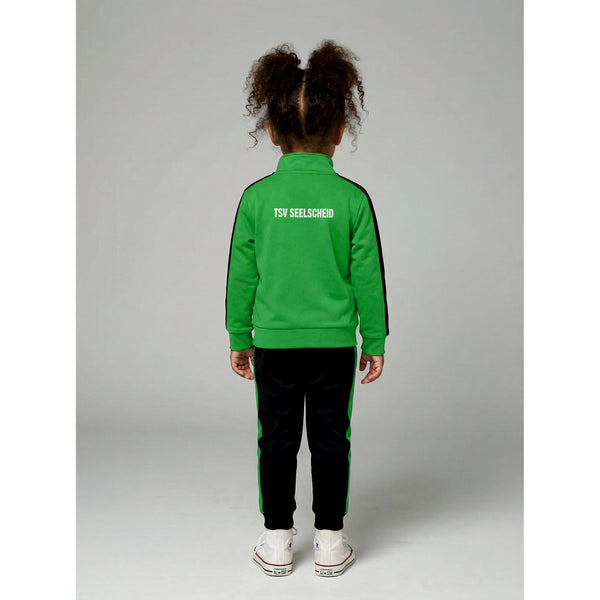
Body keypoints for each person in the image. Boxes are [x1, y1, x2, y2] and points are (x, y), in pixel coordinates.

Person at [225, 39, 389, 577]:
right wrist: (375, 340)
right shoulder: (352, 199)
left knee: (275, 440)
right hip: (334, 347)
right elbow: (368, 276)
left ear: (272, 132)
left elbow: (242, 275)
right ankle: (330, 541)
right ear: (340, 131)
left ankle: (276, 540)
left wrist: (239, 336)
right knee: (330, 440)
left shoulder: (256, 199)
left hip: (274, 344)